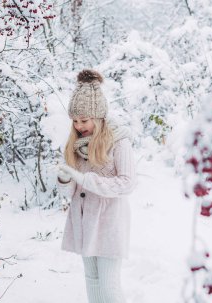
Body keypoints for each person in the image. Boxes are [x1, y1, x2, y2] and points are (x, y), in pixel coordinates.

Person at [57, 69, 137, 303]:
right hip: (83, 221)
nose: (79, 126)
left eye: (84, 120)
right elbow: (70, 192)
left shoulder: (119, 141)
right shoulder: (76, 145)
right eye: (75, 121)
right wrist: (65, 179)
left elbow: (127, 183)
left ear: (98, 117)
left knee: (109, 286)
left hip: (110, 221)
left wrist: (84, 179)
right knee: (92, 280)